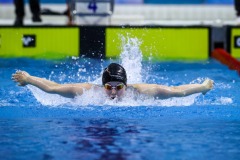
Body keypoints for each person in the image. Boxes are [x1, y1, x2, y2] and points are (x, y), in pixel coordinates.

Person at [12, 63, 214, 100]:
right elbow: (53, 88)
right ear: (103, 85)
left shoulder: (141, 93)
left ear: (126, 85)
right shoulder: (89, 92)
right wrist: (29, 79)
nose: (114, 93)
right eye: (109, 87)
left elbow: (177, 90)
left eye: (119, 87)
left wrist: (203, 87)